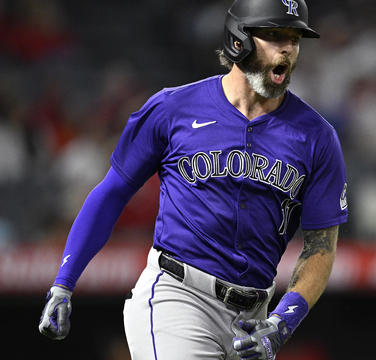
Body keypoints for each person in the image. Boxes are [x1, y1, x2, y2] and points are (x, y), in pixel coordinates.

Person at [37, 0, 349, 359]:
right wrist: (64, 283)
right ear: (238, 41)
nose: (288, 49)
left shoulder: (317, 136)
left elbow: (321, 246)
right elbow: (111, 193)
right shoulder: (173, 109)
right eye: (275, 35)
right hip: (178, 295)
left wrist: (284, 321)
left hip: (254, 316)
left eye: (295, 39)